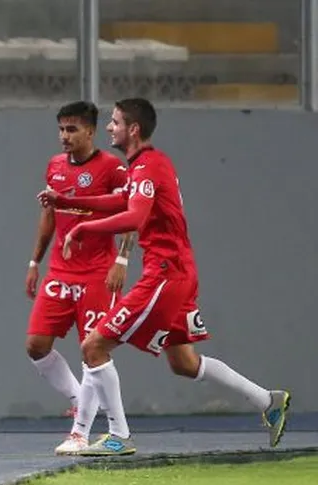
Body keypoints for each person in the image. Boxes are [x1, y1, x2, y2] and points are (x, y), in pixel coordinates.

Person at [38, 97, 291, 456]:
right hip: (179, 270)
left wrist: (83, 229)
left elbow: (134, 217)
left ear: (133, 129)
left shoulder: (149, 166)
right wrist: (66, 201)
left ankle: (118, 437)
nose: (110, 127)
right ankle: (269, 400)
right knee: (184, 363)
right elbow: (118, 200)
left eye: (115, 122)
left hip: (165, 274)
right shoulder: (147, 165)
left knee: (94, 346)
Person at [25, 101, 134, 455]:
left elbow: (132, 214)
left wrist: (122, 258)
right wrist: (34, 261)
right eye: (60, 129)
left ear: (90, 131)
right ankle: (78, 397)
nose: (64, 137)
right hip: (60, 270)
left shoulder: (112, 168)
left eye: (71, 130)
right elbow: (49, 216)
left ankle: (80, 432)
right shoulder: (55, 166)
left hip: (96, 274)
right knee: (36, 345)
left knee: (92, 351)